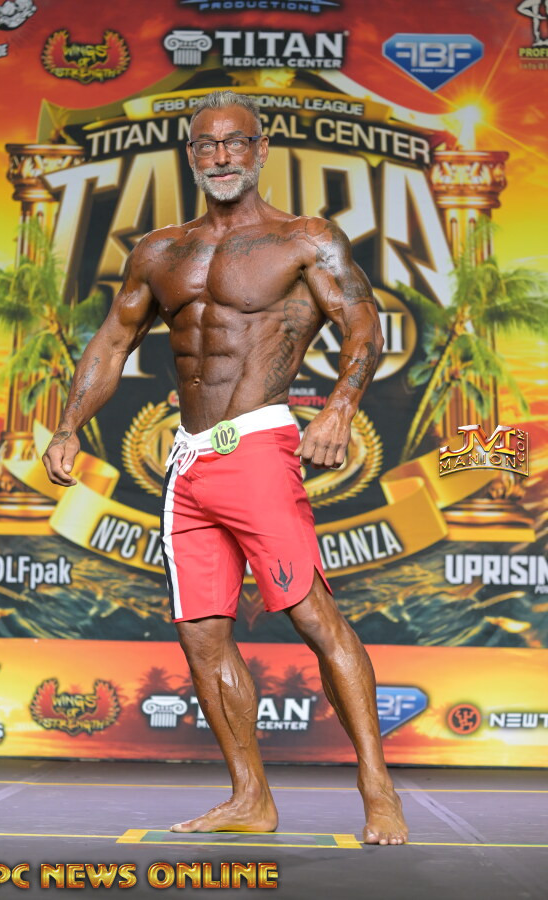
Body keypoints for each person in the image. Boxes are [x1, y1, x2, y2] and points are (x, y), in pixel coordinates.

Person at [42, 90, 408, 846]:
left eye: (235, 141)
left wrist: (340, 407)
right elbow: (112, 342)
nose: (221, 156)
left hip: (259, 448)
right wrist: (68, 427)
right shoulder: (160, 251)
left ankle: (378, 791)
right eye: (206, 145)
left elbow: (362, 323)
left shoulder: (303, 239)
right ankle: (250, 798)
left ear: (261, 149)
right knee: (201, 636)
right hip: (187, 463)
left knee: (313, 616)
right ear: (191, 155)